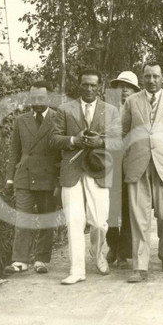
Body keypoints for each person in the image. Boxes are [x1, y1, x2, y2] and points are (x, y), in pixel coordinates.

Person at [50, 68, 121, 285]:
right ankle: (77, 269)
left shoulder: (111, 110)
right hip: (71, 171)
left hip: (98, 170)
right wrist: (74, 140)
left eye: (93, 85)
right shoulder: (65, 109)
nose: (89, 89)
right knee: (74, 221)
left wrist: (101, 142)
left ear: (100, 86)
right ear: (79, 85)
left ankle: (97, 253)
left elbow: (119, 142)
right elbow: (53, 139)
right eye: (85, 84)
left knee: (99, 222)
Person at [120, 60, 163, 282]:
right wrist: (130, 155)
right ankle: (140, 266)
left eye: (156, 76)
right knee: (139, 216)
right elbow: (123, 131)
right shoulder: (131, 102)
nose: (151, 80)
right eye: (147, 76)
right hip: (137, 164)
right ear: (142, 78)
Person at [4, 81, 61, 275]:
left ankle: (41, 259)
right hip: (24, 177)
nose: (36, 102)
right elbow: (14, 152)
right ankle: (20, 260)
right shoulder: (21, 120)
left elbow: (62, 152)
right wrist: (10, 178)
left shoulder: (58, 118)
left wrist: (60, 179)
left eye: (41, 98)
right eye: (33, 98)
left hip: (48, 177)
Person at [105, 70, 140, 269]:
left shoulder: (138, 108)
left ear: (135, 91)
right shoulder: (108, 109)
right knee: (110, 209)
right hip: (110, 164)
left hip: (131, 164)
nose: (124, 90)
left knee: (128, 208)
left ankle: (124, 252)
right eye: (121, 86)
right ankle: (112, 245)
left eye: (129, 87)